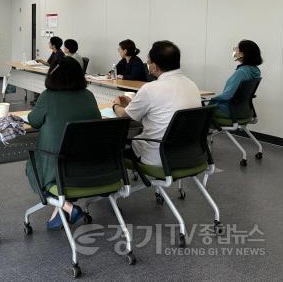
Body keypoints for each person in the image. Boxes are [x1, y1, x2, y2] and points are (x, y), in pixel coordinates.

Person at [26, 57, 101, 230]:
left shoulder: (48, 97)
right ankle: (58, 215)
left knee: (33, 168)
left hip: (58, 166)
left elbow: (34, 121)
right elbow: (96, 121)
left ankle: (68, 207)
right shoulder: (88, 96)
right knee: (63, 171)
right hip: (87, 165)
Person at [112, 41, 201, 166]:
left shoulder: (151, 88)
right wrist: (133, 103)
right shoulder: (192, 85)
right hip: (188, 154)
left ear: (154, 66)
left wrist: (115, 105)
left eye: (148, 63)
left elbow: (124, 115)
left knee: (115, 145)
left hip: (158, 156)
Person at [210, 40, 262, 118]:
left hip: (228, 111)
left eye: (237, 49)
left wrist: (212, 100)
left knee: (199, 110)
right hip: (245, 111)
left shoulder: (241, 72)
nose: (235, 51)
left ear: (243, 54)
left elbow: (227, 95)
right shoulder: (256, 71)